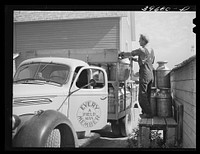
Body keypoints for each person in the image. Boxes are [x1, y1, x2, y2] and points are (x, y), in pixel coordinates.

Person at [119, 34, 155, 118]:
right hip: (151, 74)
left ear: (143, 40)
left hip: (144, 73)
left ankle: (148, 113)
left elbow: (131, 53)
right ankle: (147, 112)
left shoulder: (141, 49)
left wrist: (122, 54)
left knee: (142, 95)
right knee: (148, 94)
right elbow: (150, 61)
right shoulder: (151, 50)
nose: (139, 41)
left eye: (140, 40)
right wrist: (136, 60)